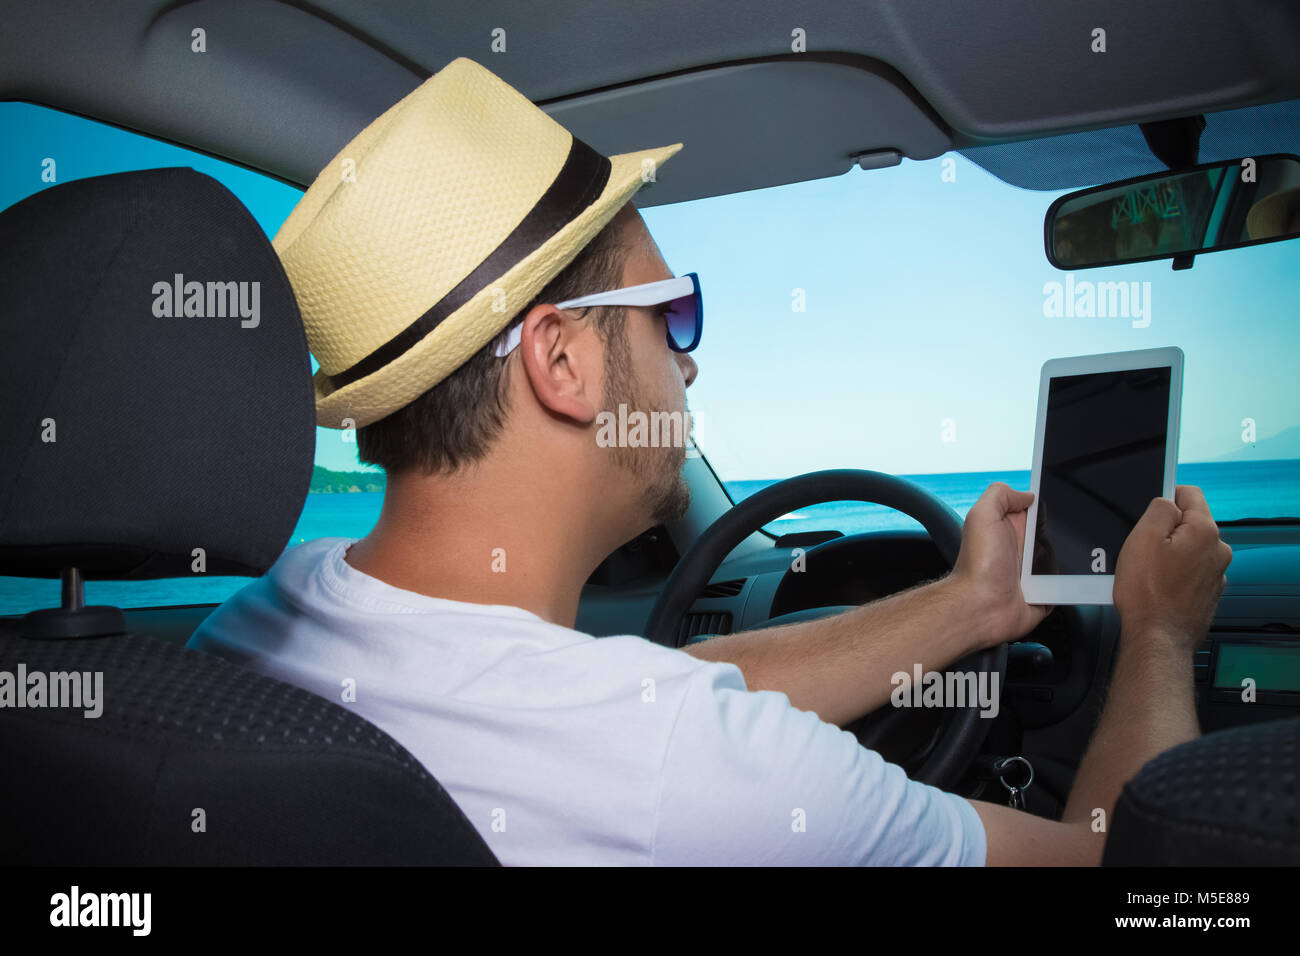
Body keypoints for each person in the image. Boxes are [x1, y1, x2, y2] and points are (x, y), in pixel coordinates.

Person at [189, 57, 1233, 866]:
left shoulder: (253, 624)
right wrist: (1158, 629)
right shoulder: (681, 772)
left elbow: (646, 689)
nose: (689, 356)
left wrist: (971, 605)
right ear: (561, 359)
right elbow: (1129, 873)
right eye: (669, 309)